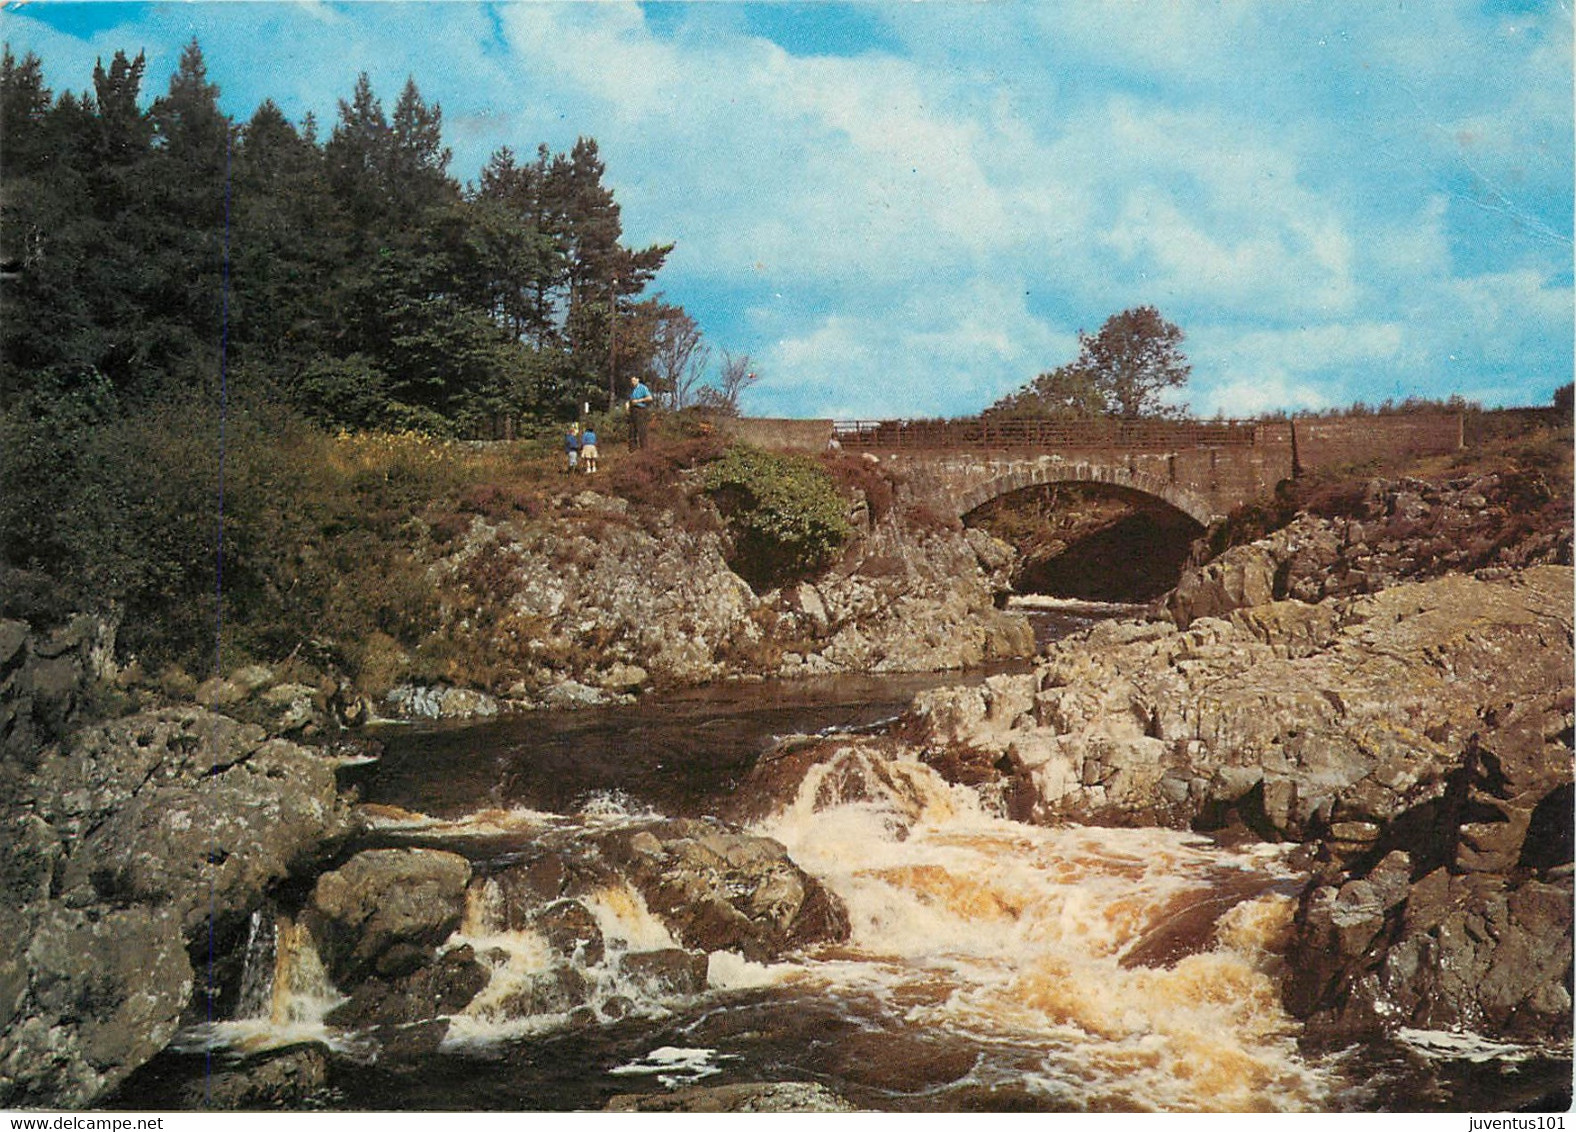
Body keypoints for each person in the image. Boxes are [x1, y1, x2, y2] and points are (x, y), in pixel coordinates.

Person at [627, 378, 654, 450]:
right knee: (632, 430)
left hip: (640, 410)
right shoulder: (632, 390)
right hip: (632, 411)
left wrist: (639, 400)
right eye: (631, 381)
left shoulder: (643, 388)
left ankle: (644, 449)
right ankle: (633, 449)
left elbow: (650, 398)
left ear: (638, 380)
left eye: (634, 380)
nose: (632, 382)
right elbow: (630, 400)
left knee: (641, 429)